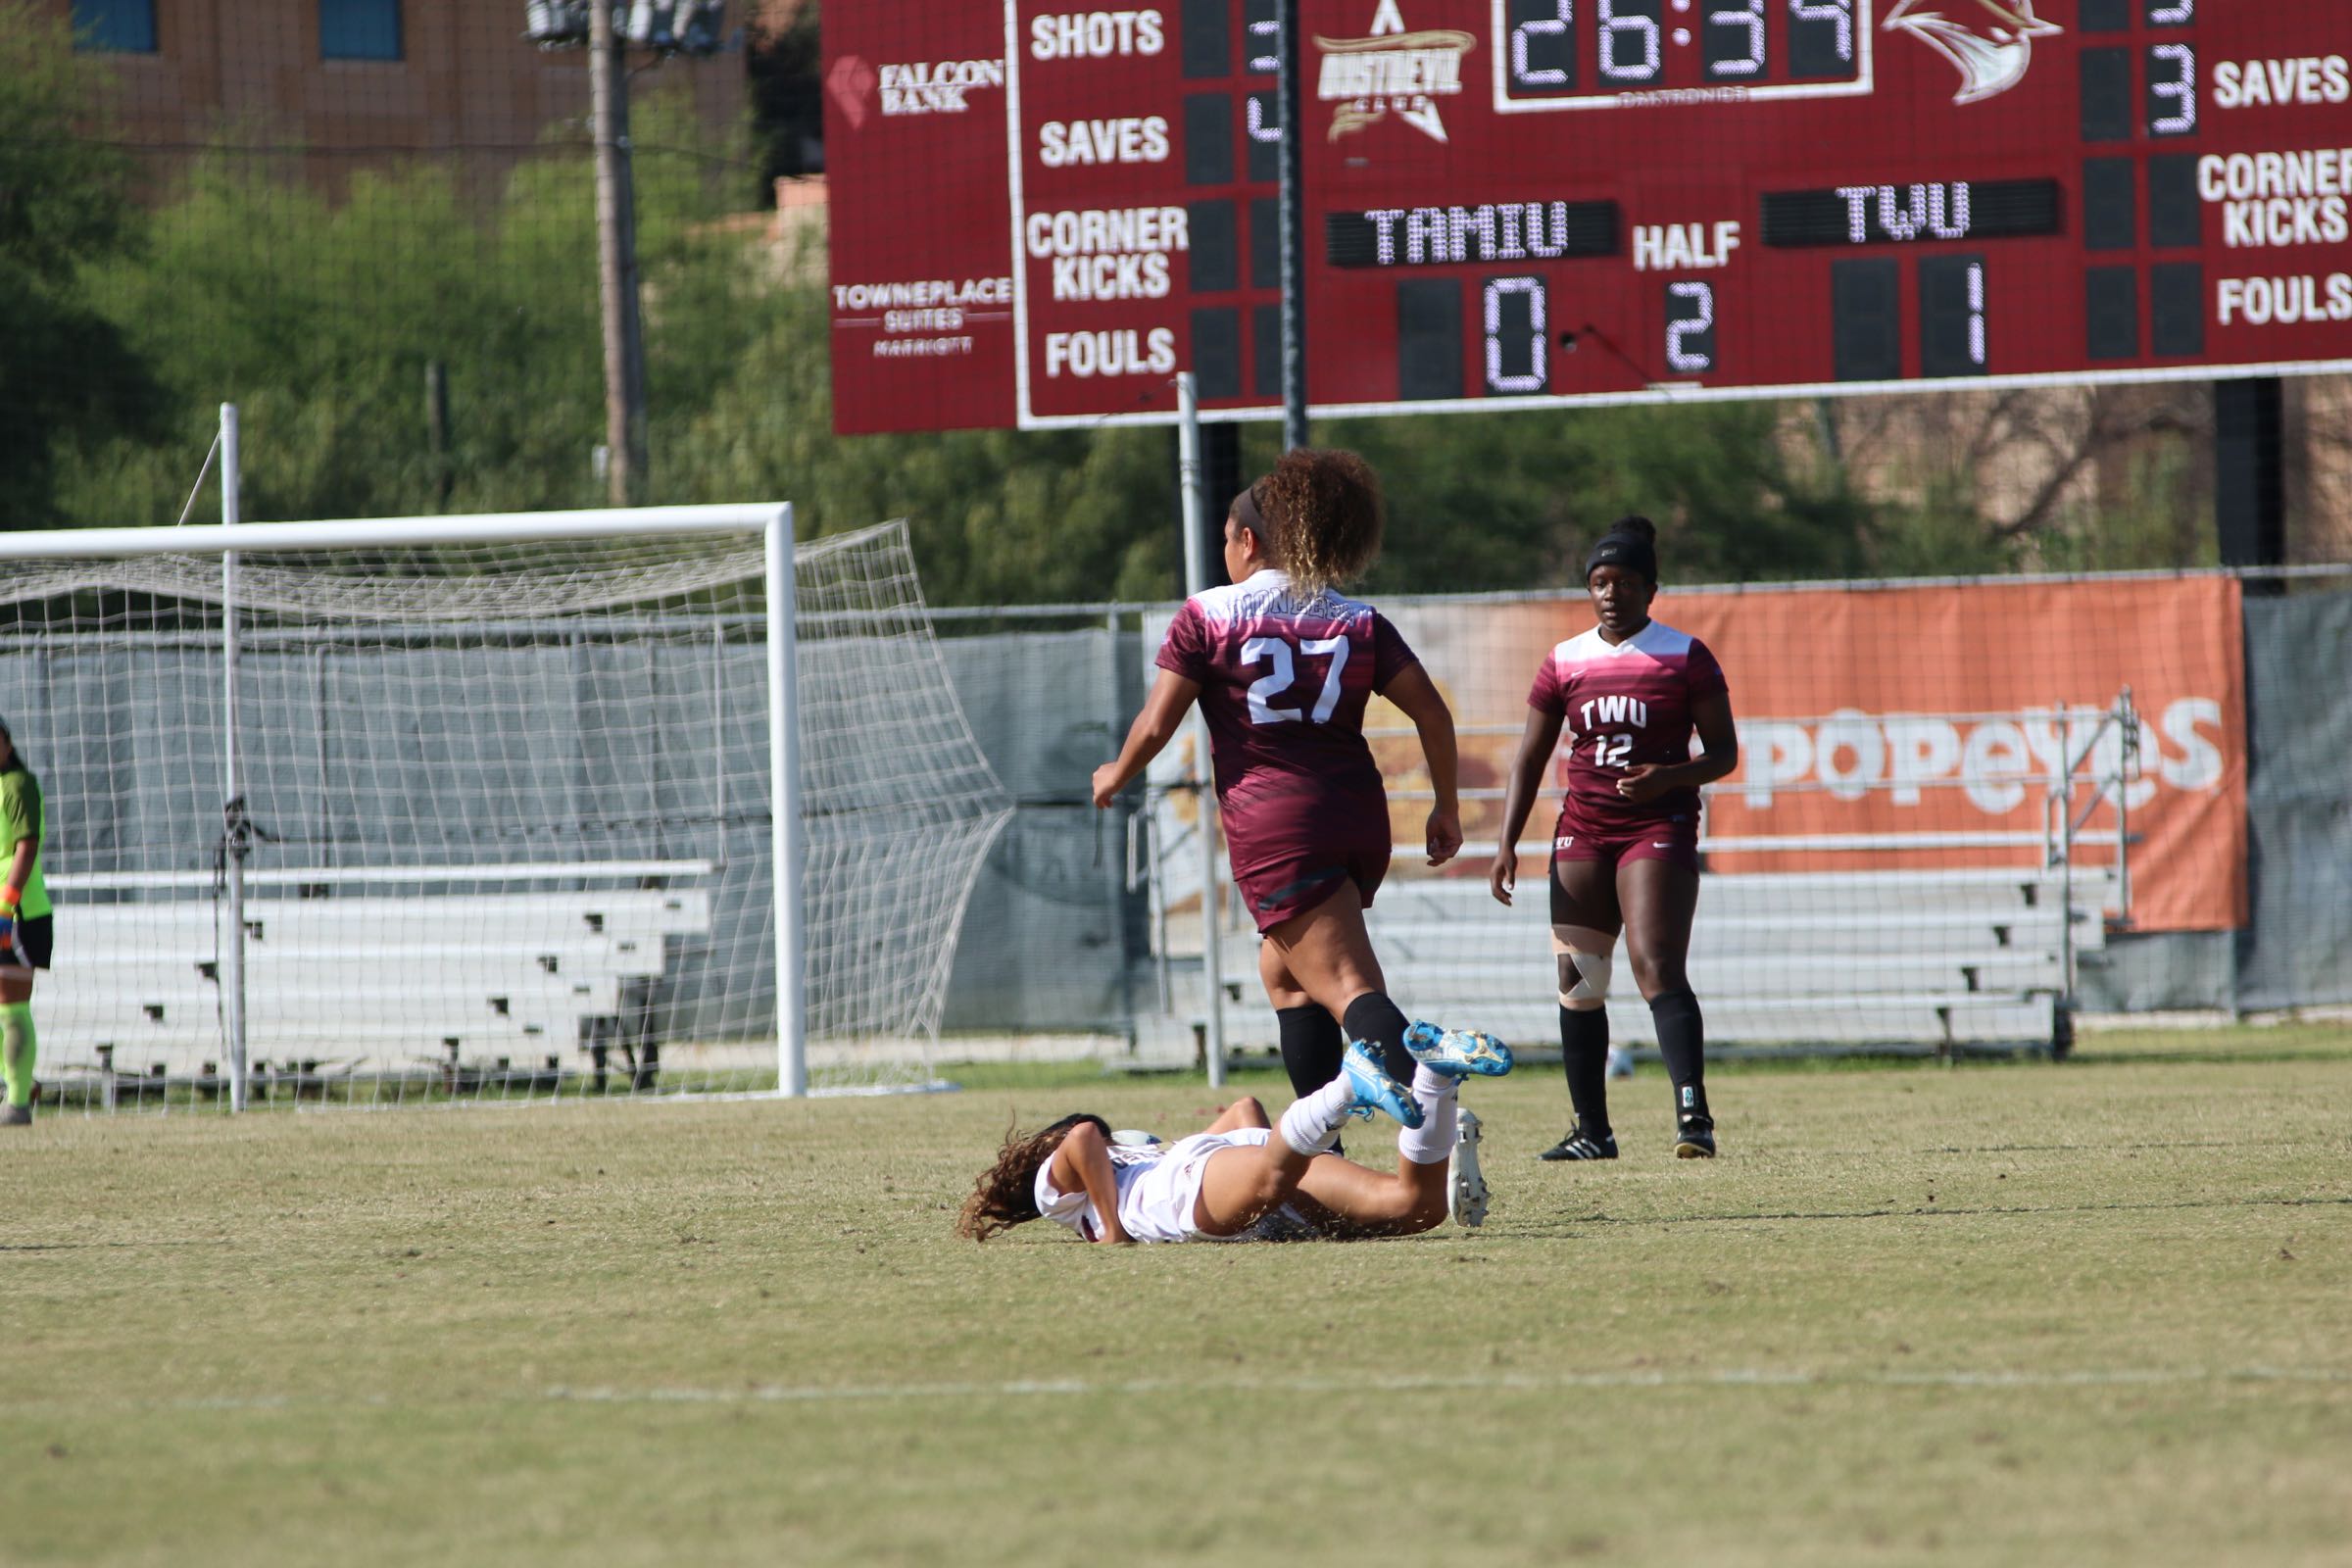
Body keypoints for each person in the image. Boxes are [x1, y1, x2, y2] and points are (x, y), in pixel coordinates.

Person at [1090, 448, 1508, 1139]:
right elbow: (1432, 712)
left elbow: (1157, 723)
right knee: (1286, 976)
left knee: (1347, 987)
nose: (1225, 548)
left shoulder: (1208, 615)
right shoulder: (1355, 617)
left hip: (1279, 822)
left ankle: (1438, 1102)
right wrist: (1445, 806)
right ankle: (1325, 1153)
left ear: (1247, 542)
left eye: (1227, 537)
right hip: (1357, 815)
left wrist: (1115, 774)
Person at [1488, 518, 1740, 1160]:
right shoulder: (1565, 659)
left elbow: (1724, 754)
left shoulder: (1683, 655)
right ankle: (1591, 1132)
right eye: (1599, 581)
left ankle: (1694, 1117)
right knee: (1579, 981)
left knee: (1656, 965)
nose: (1610, 593)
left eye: (1624, 581)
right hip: (1583, 831)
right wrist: (1507, 842)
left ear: (1650, 589)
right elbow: (1529, 757)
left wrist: (1669, 778)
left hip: (1658, 826)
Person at [956, 1036, 1500, 1244]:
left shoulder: (1059, 1200)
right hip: (1218, 1172)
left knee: (1269, 1173)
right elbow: (1243, 1110)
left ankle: (1344, 1087)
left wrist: (1115, 1232)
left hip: (1189, 1193)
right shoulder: (1127, 1166)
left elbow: (1081, 1138)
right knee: (1416, 1207)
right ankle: (1436, 1076)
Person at [0, 716, 50, 1127]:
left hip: (17, 913)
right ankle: (18, 1083)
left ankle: (16, 1102)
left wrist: (6, 907)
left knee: (11, 1004)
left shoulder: (18, 784)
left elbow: (26, 847)